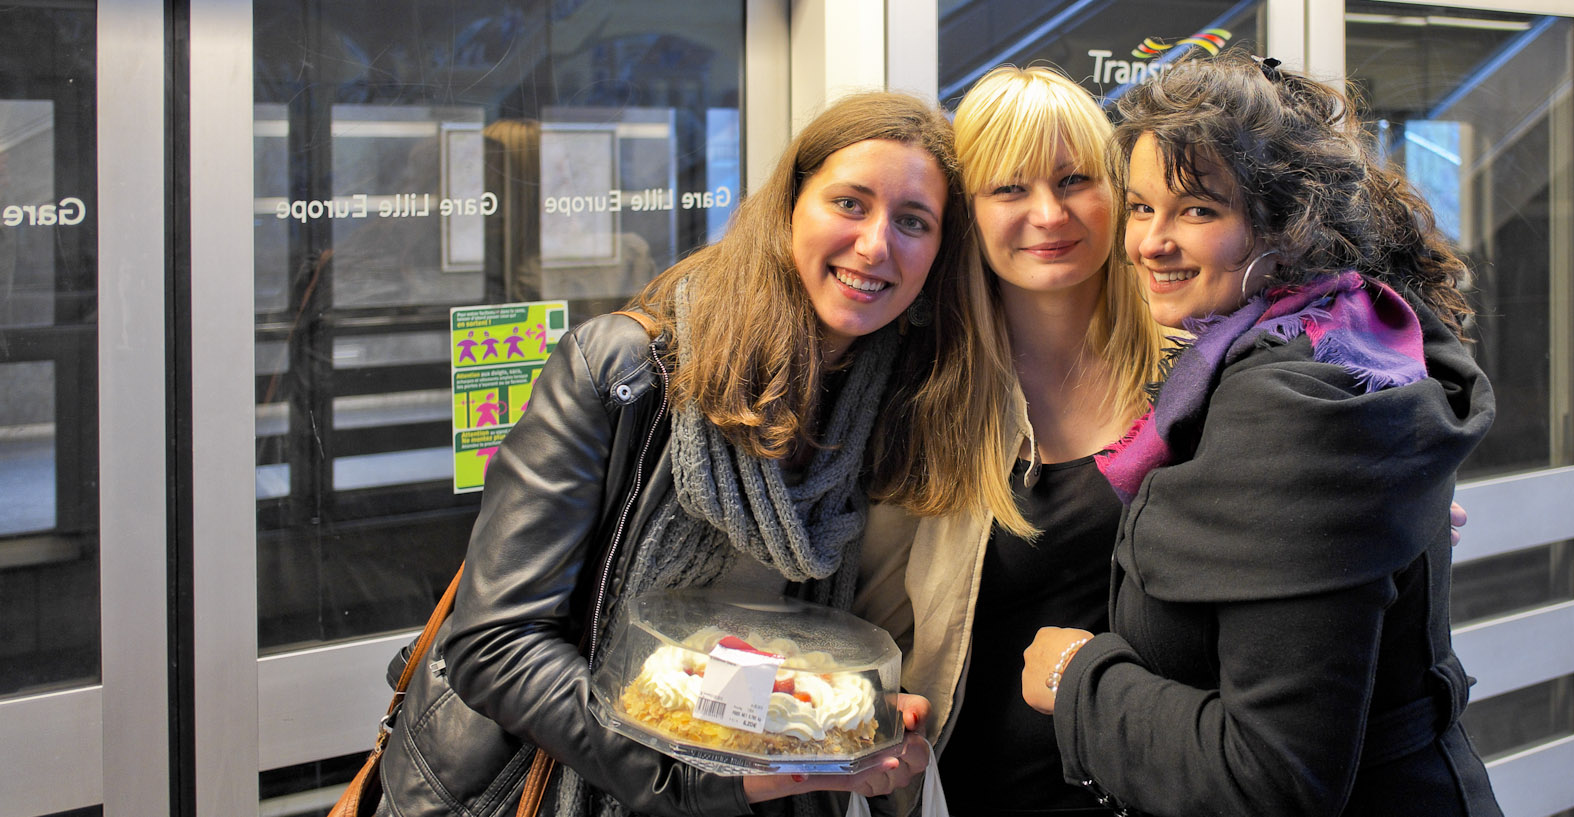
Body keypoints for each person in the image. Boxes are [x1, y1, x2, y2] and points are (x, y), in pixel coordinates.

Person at [375, 91, 990, 817]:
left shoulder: (889, 418)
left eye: (912, 221)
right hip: (541, 791)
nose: (875, 244)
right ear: (790, 205)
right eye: (849, 203)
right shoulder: (625, 371)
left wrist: (844, 720)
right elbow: (497, 644)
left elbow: (766, 660)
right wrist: (700, 783)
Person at [1018, 52, 1502, 816]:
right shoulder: (1330, 335)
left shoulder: (1299, 406)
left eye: (1198, 210)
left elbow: (1272, 777)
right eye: (1141, 207)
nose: (1151, 241)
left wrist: (1076, 677)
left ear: (1287, 227)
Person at [855, 64, 1164, 816]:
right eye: (1010, 188)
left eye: (1074, 179)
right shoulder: (924, 398)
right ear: (967, 213)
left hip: (1175, 779)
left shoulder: (1196, 369)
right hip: (988, 793)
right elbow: (871, 631)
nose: (1050, 213)